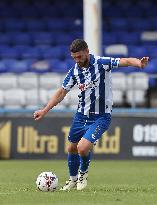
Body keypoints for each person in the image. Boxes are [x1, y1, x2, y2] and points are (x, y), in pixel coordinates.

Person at [33, 39, 149, 191]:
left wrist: (138, 64)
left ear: (87, 51)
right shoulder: (74, 71)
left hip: (101, 116)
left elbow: (125, 61)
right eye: (74, 57)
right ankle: (73, 179)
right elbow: (62, 92)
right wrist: (45, 110)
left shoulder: (101, 63)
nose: (77, 60)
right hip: (81, 115)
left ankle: (83, 174)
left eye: (79, 57)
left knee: (82, 148)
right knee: (72, 148)